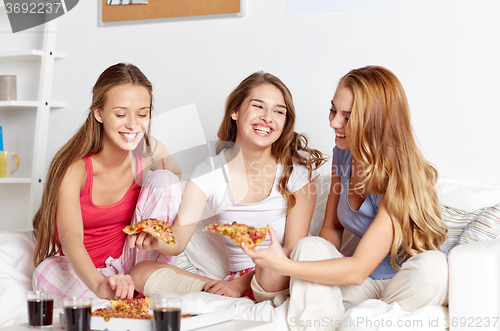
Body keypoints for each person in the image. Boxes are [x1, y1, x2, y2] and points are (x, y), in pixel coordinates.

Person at [243, 66, 449, 329]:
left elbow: (358, 269)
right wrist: (319, 262)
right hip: (363, 285)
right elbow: (332, 227)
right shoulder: (343, 154)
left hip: (407, 283)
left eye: (347, 117)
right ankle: (360, 319)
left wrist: (285, 265)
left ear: (377, 121)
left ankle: (364, 318)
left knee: (434, 268)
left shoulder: (402, 177)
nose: (333, 123)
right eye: (333, 110)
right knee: (308, 247)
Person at [129, 71, 326, 302]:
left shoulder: (297, 173)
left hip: (277, 274)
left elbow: (293, 250)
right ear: (235, 112)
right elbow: (178, 240)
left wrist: (240, 285)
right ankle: (218, 294)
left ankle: (228, 295)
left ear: (284, 123)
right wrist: (158, 240)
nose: (267, 117)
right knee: (140, 272)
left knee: (274, 268)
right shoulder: (209, 172)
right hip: (232, 280)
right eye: (258, 106)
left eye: (278, 111)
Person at [32, 63, 182, 305]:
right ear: (99, 114)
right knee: (45, 271)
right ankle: (115, 302)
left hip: (133, 261)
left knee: (166, 179)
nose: (133, 125)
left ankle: (150, 282)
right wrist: (98, 284)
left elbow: (175, 179)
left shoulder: (149, 151)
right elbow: (71, 237)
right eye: (121, 114)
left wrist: (150, 224)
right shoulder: (74, 168)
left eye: (142, 114)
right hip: (86, 272)